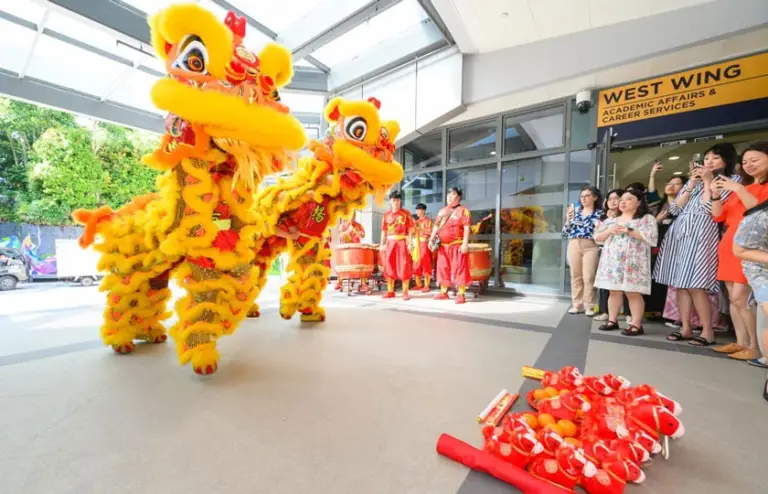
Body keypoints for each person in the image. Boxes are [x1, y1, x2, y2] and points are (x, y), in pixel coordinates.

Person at [656, 143, 741, 347]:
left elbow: (711, 209)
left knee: (696, 284)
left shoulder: (732, 181)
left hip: (703, 233)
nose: (708, 162)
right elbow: (675, 209)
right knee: (680, 284)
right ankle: (685, 327)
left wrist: (708, 181)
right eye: (706, 158)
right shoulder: (692, 181)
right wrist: (692, 185)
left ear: (726, 160)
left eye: (714, 158)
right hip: (680, 233)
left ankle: (707, 331)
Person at [709, 143, 768, 360]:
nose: (748, 165)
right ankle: (741, 342)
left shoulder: (749, 188)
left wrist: (739, 190)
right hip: (729, 247)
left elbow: (760, 213)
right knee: (734, 300)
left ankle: (755, 345)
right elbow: (718, 216)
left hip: (752, 249)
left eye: (755, 160)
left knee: (741, 297)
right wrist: (715, 195)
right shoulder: (742, 187)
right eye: (745, 162)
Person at [594, 189, 659, 336]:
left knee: (633, 292)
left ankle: (636, 324)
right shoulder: (611, 219)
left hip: (634, 262)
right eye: (621, 199)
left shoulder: (646, 219)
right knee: (613, 291)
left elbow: (651, 238)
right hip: (613, 262)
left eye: (628, 199)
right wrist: (609, 230)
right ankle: (612, 320)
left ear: (639, 202)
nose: (622, 202)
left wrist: (629, 230)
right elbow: (597, 237)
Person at [646, 169, 688, 315]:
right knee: (656, 276)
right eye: (669, 183)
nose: (671, 186)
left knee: (674, 279)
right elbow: (651, 194)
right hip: (657, 244)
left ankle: (672, 312)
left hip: (678, 244)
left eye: (677, 184)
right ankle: (656, 309)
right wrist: (652, 175)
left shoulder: (687, 206)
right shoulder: (657, 204)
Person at [562, 186, 603, 316]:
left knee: (589, 276)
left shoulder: (600, 214)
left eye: (587, 196)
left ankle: (589, 305)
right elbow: (565, 233)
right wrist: (568, 220)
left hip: (591, 245)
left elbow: (602, 233)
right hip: (574, 243)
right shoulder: (575, 212)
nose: (584, 198)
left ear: (595, 198)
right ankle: (576, 304)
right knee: (575, 275)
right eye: (582, 196)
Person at [429, 187, 471, 304]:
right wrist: (431, 239)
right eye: (448, 195)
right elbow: (436, 226)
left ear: (458, 197)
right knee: (442, 268)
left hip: (457, 245)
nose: (449, 197)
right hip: (443, 246)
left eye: (452, 194)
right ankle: (443, 292)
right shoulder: (442, 211)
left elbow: (467, 228)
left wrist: (465, 244)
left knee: (460, 268)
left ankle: (461, 294)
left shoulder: (463, 211)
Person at [594, 188, 623, 322]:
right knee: (606, 285)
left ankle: (629, 314)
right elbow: (598, 237)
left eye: (616, 198)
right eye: (610, 199)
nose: (612, 201)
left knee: (627, 286)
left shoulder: (631, 216)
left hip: (625, 255)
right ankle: (606, 312)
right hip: (608, 254)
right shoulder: (604, 218)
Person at [380, 190, 414, 300]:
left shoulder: (406, 214)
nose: (396, 202)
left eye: (398, 200)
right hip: (390, 243)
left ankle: (405, 292)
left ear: (401, 201)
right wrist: (382, 244)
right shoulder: (386, 215)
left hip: (402, 242)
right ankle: (390, 291)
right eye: (394, 200)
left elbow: (410, 229)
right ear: (390, 201)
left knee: (404, 266)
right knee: (389, 265)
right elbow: (384, 231)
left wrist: (410, 243)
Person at [336, 215, 370, 292]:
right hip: (346, 249)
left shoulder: (359, 225)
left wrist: (360, 233)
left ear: (355, 216)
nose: (352, 218)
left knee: (362, 265)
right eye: (350, 216)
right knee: (342, 265)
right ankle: (339, 282)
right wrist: (348, 231)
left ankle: (363, 283)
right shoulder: (343, 225)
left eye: (353, 216)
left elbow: (363, 235)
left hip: (356, 248)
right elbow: (340, 236)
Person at [412, 203, 434, 292]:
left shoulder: (428, 221)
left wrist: (421, 229)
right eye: (416, 210)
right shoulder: (416, 222)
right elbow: (413, 232)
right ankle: (418, 284)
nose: (417, 212)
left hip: (424, 243)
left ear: (423, 211)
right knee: (416, 264)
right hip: (416, 244)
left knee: (426, 263)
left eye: (418, 210)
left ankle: (427, 285)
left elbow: (431, 232)